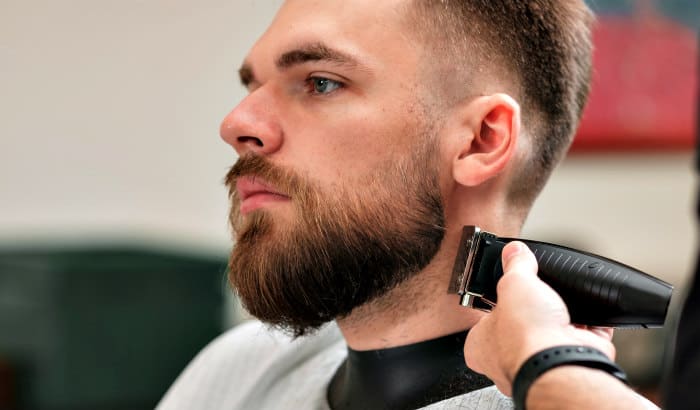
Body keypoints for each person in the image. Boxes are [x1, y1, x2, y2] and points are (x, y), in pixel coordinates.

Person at [157, 1, 655, 409]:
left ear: (481, 140)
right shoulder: (240, 372)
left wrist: (556, 375)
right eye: (252, 86)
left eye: (321, 82)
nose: (236, 123)